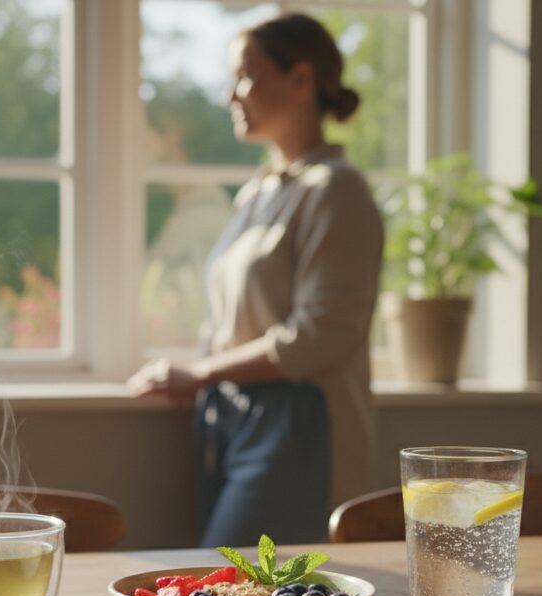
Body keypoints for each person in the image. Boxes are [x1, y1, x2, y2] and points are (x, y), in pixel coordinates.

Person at [128, 13, 383, 547]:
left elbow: (318, 336)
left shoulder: (336, 191)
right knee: (232, 589)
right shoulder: (257, 194)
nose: (230, 95)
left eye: (244, 76)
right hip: (232, 421)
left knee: (238, 591)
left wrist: (199, 372)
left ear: (302, 79)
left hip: (295, 425)